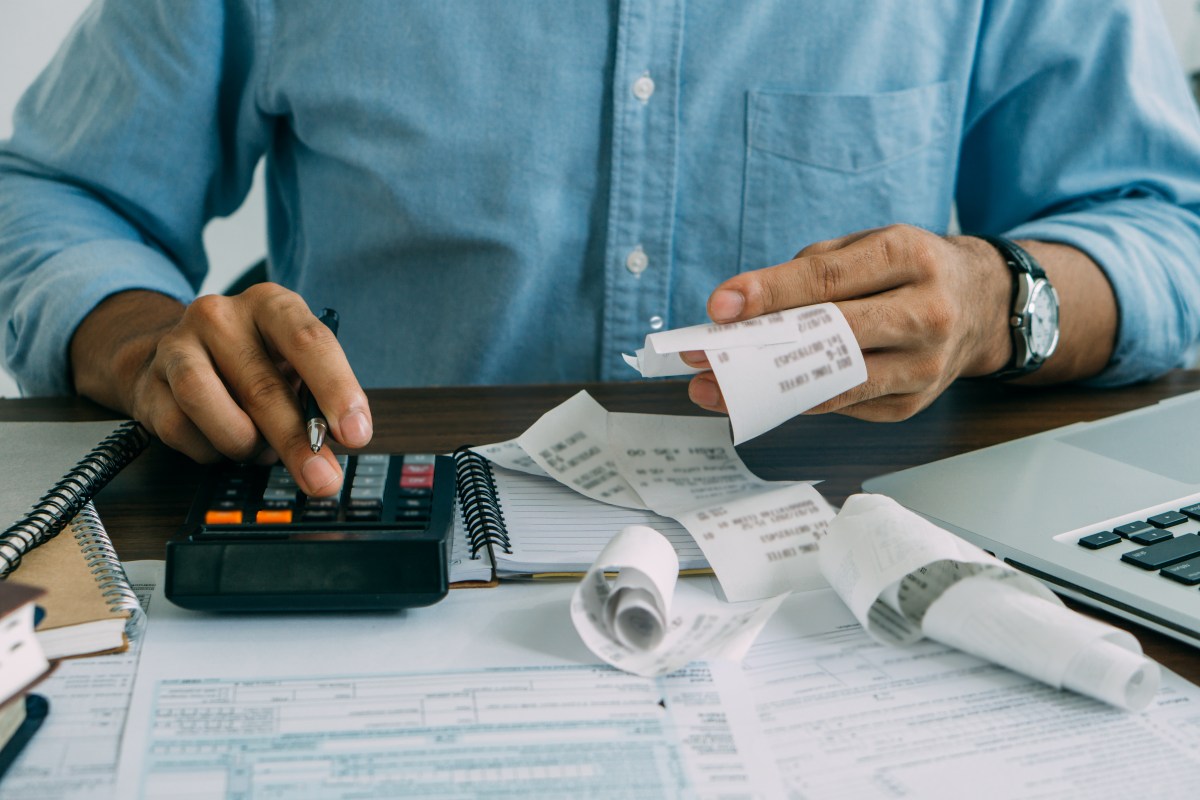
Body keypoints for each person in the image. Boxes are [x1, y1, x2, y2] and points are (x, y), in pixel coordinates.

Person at [3, 1, 1200, 498]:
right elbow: (53, 194)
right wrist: (145, 343)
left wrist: (1002, 300)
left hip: (846, 583)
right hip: (380, 539)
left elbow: (1167, 228)